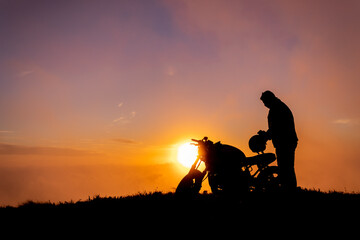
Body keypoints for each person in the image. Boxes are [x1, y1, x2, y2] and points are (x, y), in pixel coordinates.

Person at [258, 90, 298, 192]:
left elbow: (276, 128)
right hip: (286, 141)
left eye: (265, 102)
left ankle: (289, 190)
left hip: (285, 142)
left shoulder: (277, 109)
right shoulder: (278, 107)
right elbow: (275, 128)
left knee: (286, 168)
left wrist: (266, 135)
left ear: (269, 99)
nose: (265, 105)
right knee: (286, 167)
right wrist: (267, 135)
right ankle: (289, 189)